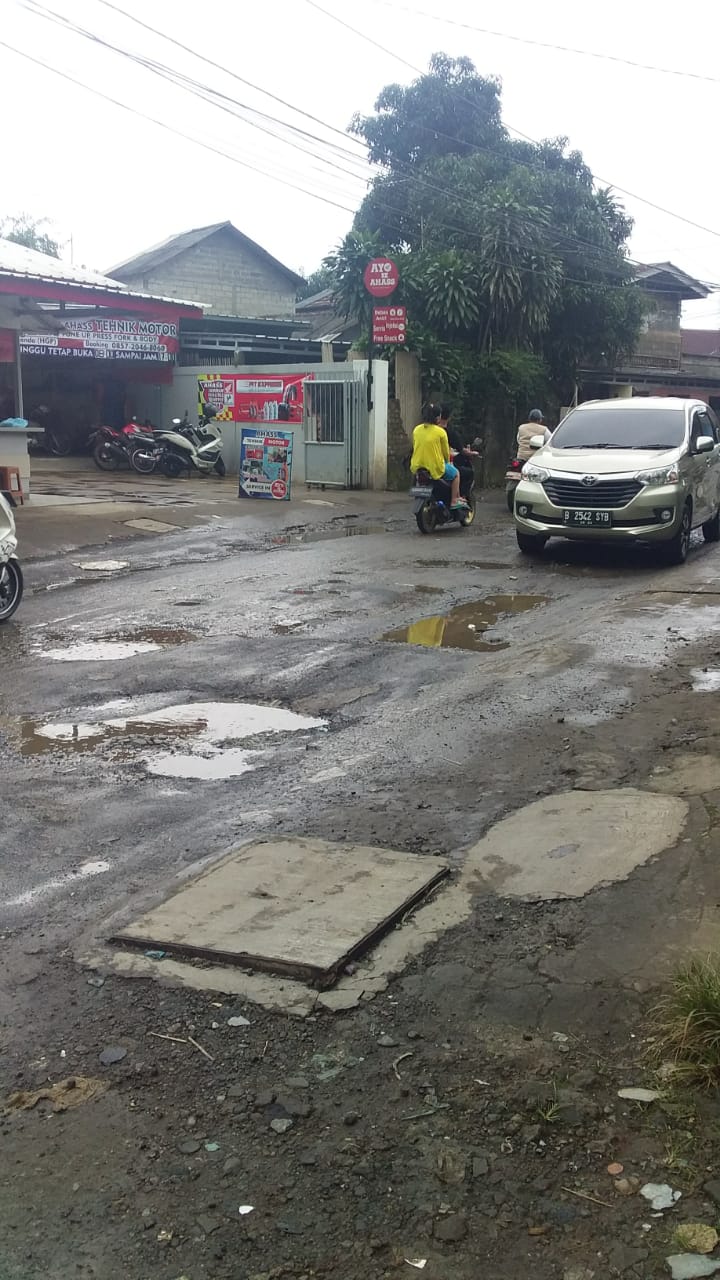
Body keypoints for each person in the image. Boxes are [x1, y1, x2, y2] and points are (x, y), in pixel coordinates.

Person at [410, 403, 467, 508]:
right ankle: (454, 500)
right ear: (437, 417)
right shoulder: (440, 432)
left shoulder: (416, 429)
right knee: (456, 474)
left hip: (417, 466)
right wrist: (447, 462)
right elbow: (445, 453)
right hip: (435, 467)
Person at [440, 404, 480, 499]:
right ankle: (457, 498)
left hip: (424, 464)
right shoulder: (444, 432)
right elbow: (460, 450)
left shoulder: (420, 430)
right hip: (440, 464)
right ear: (449, 417)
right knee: (461, 473)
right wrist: (472, 453)